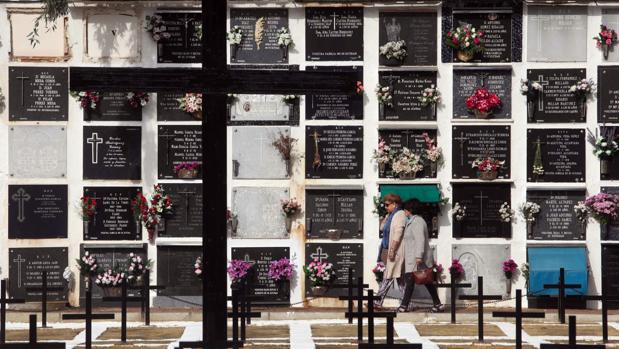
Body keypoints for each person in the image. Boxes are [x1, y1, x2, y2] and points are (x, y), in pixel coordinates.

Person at [398, 199, 444, 313]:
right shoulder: (412, 221)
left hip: (416, 258)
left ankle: (403, 306)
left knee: (412, 281)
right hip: (412, 257)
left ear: (411, 210)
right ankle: (438, 304)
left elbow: (420, 240)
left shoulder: (417, 222)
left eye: (406, 209)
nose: (404, 211)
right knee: (426, 281)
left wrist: (418, 256)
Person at [374, 193, 406, 309]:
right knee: (400, 279)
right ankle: (407, 303)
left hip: (395, 251)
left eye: (387, 205)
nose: (385, 207)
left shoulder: (400, 215)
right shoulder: (391, 215)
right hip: (387, 250)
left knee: (388, 277)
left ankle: (377, 302)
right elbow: (382, 228)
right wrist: (386, 217)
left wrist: (392, 250)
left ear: (395, 204)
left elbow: (398, 234)